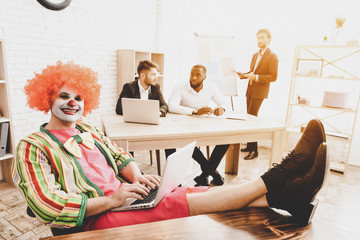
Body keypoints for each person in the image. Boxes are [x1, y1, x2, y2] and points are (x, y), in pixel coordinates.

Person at [12, 61, 327, 234]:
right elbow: (49, 207)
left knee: (193, 193)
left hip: (124, 201)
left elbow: (121, 157)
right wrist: (112, 199)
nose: (72, 103)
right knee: (173, 203)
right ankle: (284, 176)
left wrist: (135, 177)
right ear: (48, 98)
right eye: (63, 96)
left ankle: (288, 196)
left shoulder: (89, 130)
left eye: (78, 98)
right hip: (94, 218)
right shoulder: (32, 146)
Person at [168, 64, 230, 186]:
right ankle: (212, 172)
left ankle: (205, 174)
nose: (194, 78)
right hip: (184, 125)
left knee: (226, 139)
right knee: (186, 141)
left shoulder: (211, 87)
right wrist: (195, 111)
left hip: (203, 125)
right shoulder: (180, 86)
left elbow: (224, 103)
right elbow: (172, 106)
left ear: (205, 77)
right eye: (192, 74)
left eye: (198, 75)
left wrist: (221, 108)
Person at [115, 60, 173, 158]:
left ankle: (172, 170)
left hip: (151, 127)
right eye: (153, 74)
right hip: (133, 127)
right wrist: (138, 112)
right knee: (128, 141)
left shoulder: (156, 88)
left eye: (156, 75)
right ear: (142, 76)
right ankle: (133, 170)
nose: (156, 78)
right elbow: (119, 109)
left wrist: (158, 112)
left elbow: (164, 105)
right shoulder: (129, 87)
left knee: (169, 140)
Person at [237, 28, 278, 160]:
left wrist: (257, 78)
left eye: (262, 38)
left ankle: (254, 151)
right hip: (250, 89)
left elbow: (273, 77)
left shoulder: (272, 56)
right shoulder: (255, 55)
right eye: (258, 38)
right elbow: (252, 71)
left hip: (259, 91)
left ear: (268, 39)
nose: (259, 40)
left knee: (252, 119)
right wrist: (244, 75)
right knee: (249, 117)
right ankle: (250, 146)